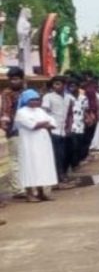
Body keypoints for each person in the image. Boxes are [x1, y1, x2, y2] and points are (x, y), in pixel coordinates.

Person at [14, 90, 58, 202]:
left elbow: (53, 122)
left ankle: (41, 192)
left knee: (42, 166)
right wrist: (44, 124)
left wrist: (43, 124)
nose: (35, 102)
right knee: (29, 167)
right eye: (32, 100)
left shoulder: (40, 110)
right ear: (25, 100)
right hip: (29, 144)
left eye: (37, 99)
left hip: (43, 143)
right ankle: (29, 193)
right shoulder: (21, 112)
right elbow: (32, 125)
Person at [42, 76, 73, 188]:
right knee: (57, 155)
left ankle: (62, 174)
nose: (57, 86)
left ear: (64, 85)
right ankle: (57, 178)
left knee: (65, 154)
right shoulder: (48, 97)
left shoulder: (68, 98)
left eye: (59, 84)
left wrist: (69, 127)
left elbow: (70, 113)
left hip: (64, 129)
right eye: (55, 84)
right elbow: (44, 112)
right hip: (53, 130)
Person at [2, 67, 26, 196]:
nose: (13, 82)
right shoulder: (7, 93)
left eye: (16, 79)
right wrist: (6, 124)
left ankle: (24, 185)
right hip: (14, 129)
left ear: (22, 79)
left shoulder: (26, 92)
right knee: (15, 159)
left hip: (27, 129)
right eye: (11, 79)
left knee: (23, 158)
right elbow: (5, 111)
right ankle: (17, 188)